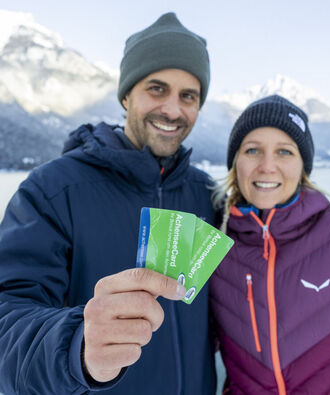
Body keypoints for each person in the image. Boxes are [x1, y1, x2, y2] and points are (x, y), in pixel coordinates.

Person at [0, 12, 217, 395]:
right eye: (156, 88)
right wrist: (76, 346)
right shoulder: (53, 190)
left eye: (189, 96)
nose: (172, 109)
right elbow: (7, 321)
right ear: (126, 94)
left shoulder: (206, 194)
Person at [210, 95, 330, 394]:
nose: (267, 166)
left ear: (302, 167)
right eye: (252, 150)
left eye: (284, 152)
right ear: (235, 163)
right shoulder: (215, 247)